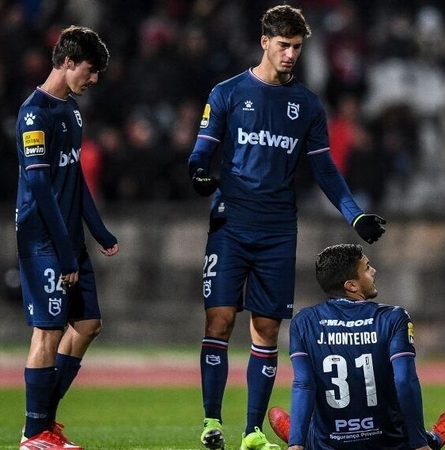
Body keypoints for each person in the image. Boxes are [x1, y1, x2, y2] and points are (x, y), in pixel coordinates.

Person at [187, 6, 386, 450]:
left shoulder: (308, 106)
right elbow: (201, 151)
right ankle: (211, 422)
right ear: (264, 42)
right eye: (284, 45)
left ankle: (253, 431)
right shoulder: (228, 93)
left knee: (267, 330)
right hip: (230, 225)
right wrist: (199, 172)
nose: (291, 54)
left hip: (278, 230)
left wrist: (355, 214)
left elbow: (325, 171)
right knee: (219, 321)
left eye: (297, 46)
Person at [15, 26, 119, 450]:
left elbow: (73, 178)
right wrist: (64, 254)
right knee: (49, 331)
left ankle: (42, 421)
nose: (93, 80)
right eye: (91, 71)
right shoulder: (33, 114)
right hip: (42, 238)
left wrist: (98, 231)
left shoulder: (72, 113)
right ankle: (34, 434)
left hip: (68, 238)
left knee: (89, 325)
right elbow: (40, 188)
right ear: (69, 62)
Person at [265, 243, 445, 449]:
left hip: (330, 444)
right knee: (413, 436)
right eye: (367, 268)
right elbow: (404, 381)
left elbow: (304, 384)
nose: (374, 271)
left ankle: (298, 438)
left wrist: (295, 445)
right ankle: (433, 438)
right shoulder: (394, 317)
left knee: (311, 435)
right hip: (390, 442)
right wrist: (419, 444)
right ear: (351, 285)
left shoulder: (304, 320)